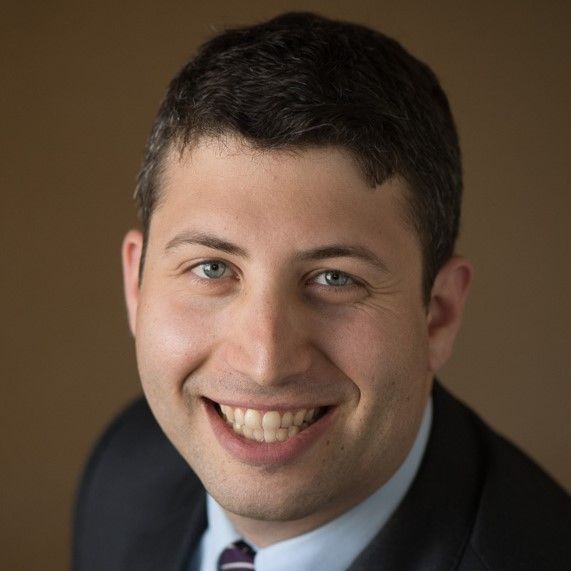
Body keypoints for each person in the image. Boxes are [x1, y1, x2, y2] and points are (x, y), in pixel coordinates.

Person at [73, 12, 570, 571]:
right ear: (136, 285)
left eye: (335, 278)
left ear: (439, 314)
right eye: (212, 268)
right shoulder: (125, 470)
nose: (265, 363)